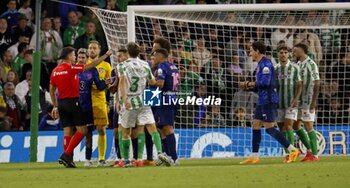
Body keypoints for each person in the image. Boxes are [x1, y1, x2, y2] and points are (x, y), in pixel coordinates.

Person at [49, 46, 112, 168]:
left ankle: (69, 161)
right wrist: (105, 56)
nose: (75, 58)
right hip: (73, 102)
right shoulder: (71, 68)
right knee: (82, 130)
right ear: (68, 56)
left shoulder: (55, 70)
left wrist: (55, 106)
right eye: (73, 55)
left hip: (61, 103)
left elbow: (52, 90)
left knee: (67, 132)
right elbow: (91, 65)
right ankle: (66, 155)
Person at [239, 41, 300, 164]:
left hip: (268, 100)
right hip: (262, 99)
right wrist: (250, 86)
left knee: (269, 128)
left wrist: (249, 84)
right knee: (255, 124)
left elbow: (265, 83)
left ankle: (293, 150)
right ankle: (255, 156)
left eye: (251, 51)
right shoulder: (260, 64)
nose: (250, 53)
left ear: (257, 51)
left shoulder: (265, 65)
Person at [115, 43, 170, 168]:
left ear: (128, 53)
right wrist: (158, 80)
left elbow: (122, 83)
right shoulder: (145, 64)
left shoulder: (122, 65)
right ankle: (160, 153)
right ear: (138, 52)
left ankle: (126, 160)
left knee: (126, 131)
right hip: (144, 100)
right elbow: (152, 82)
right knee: (152, 127)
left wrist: (124, 99)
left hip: (129, 101)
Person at [76, 48, 110, 167]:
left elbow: (100, 86)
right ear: (76, 58)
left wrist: (106, 82)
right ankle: (68, 156)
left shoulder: (92, 70)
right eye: (79, 57)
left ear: (86, 59)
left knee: (88, 133)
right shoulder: (72, 69)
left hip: (87, 106)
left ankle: (87, 159)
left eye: (83, 58)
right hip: (74, 105)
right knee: (71, 132)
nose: (81, 60)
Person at [275, 44, 305, 163]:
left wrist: (296, 99)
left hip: (291, 103)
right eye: (281, 52)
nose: (283, 54)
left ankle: (292, 154)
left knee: (289, 126)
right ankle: (288, 153)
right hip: (278, 103)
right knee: (282, 130)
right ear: (277, 54)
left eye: (285, 52)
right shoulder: (275, 68)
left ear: (289, 54)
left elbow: (299, 85)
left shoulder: (294, 68)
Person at [293, 43, 320, 161]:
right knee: (295, 125)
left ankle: (315, 155)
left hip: (308, 99)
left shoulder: (311, 64)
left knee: (308, 125)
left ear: (302, 51)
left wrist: (313, 101)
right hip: (298, 99)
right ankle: (309, 151)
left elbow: (317, 82)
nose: (294, 52)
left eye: (296, 50)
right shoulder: (298, 64)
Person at [152, 48, 180, 165]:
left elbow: (160, 84)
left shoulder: (161, 66)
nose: (153, 58)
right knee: (161, 127)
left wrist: (149, 80)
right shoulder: (173, 66)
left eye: (155, 56)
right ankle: (167, 156)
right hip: (173, 97)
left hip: (165, 99)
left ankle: (174, 158)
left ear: (160, 56)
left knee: (167, 128)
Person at [86, 40, 112, 166]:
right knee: (88, 131)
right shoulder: (84, 64)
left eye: (94, 48)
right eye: (90, 48)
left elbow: (108, 85)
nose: (92, 50)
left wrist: (107, 102)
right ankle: (88, 159)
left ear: (99, 50)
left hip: (100, 100)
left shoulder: (106, 66)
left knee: (101, 129)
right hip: (86, 100)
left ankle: (101, 159)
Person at [109, 49, 128, 166]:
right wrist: (115, 78)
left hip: (133, 103)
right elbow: (112, 90)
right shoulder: (114, 70)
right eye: (117, 56)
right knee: (116, 131)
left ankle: (135, 157)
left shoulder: (133, 68)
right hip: (120, 104)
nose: (118, 58)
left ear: (126, 56)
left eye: (120, 56)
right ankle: (119, 156)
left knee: (134, 131)